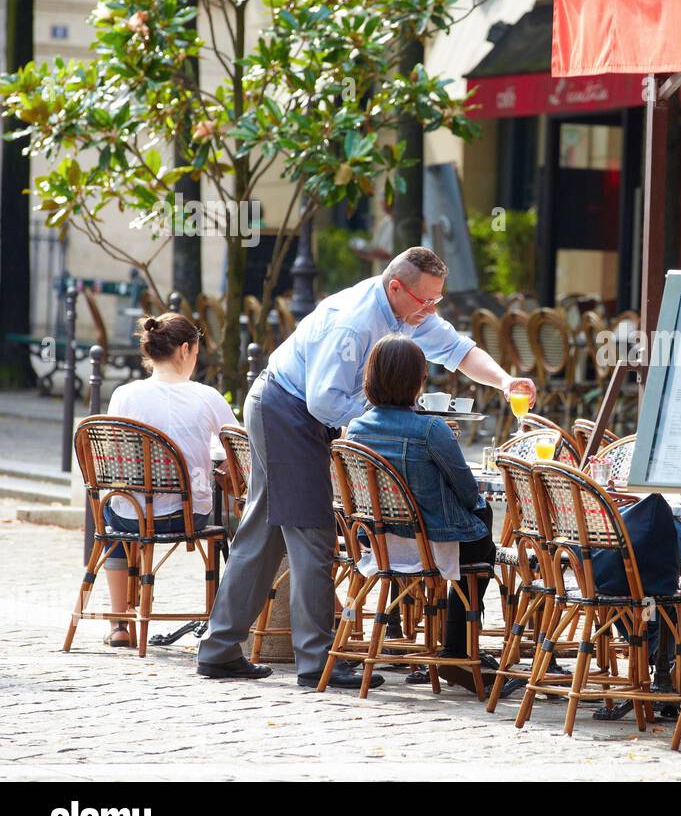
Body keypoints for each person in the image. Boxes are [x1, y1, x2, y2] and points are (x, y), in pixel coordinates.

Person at [196, 248, 535, 689]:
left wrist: (505, 381)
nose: (431, 309)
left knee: (265, 530)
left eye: (437, 300)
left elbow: (456, 348)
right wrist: (390, 420)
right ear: (397, 287)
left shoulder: (407, 311)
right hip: (288, 407)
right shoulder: (355, 322)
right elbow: (323, 401)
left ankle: (220, 649)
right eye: (425, 301)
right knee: (312, 533)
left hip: (295, 405)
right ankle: (318, 662)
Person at [345, 334, 498, 692]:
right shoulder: (431, 429)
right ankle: (458, 650)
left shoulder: (357, 428)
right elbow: (466, 489)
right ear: (418, 380)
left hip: (379, 543)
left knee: (477, 526)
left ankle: (450, 645)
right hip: (432, 546)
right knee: (482, 527)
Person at [98, 313, 238, 647]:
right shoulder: (207, 397)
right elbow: (240, 449)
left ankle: (120, 622)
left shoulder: (124, 395)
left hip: (130, 516)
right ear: (186, 350)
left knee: (111, 510)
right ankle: (218, 622)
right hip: (185, 516)